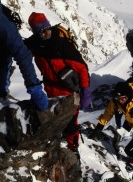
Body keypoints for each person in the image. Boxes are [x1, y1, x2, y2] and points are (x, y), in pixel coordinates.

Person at [24, 12, 92, 159]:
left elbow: (82, 68)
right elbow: (19, 48)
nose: (47, 32)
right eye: (42, 31)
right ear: (36, 33)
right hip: (51, 91)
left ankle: (73, 148)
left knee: (71, 123)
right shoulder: (35, 44)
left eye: (48, 28)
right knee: (54, 120)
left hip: (69, 91)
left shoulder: (62, 45)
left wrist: (86, 91)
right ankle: (59, 139)